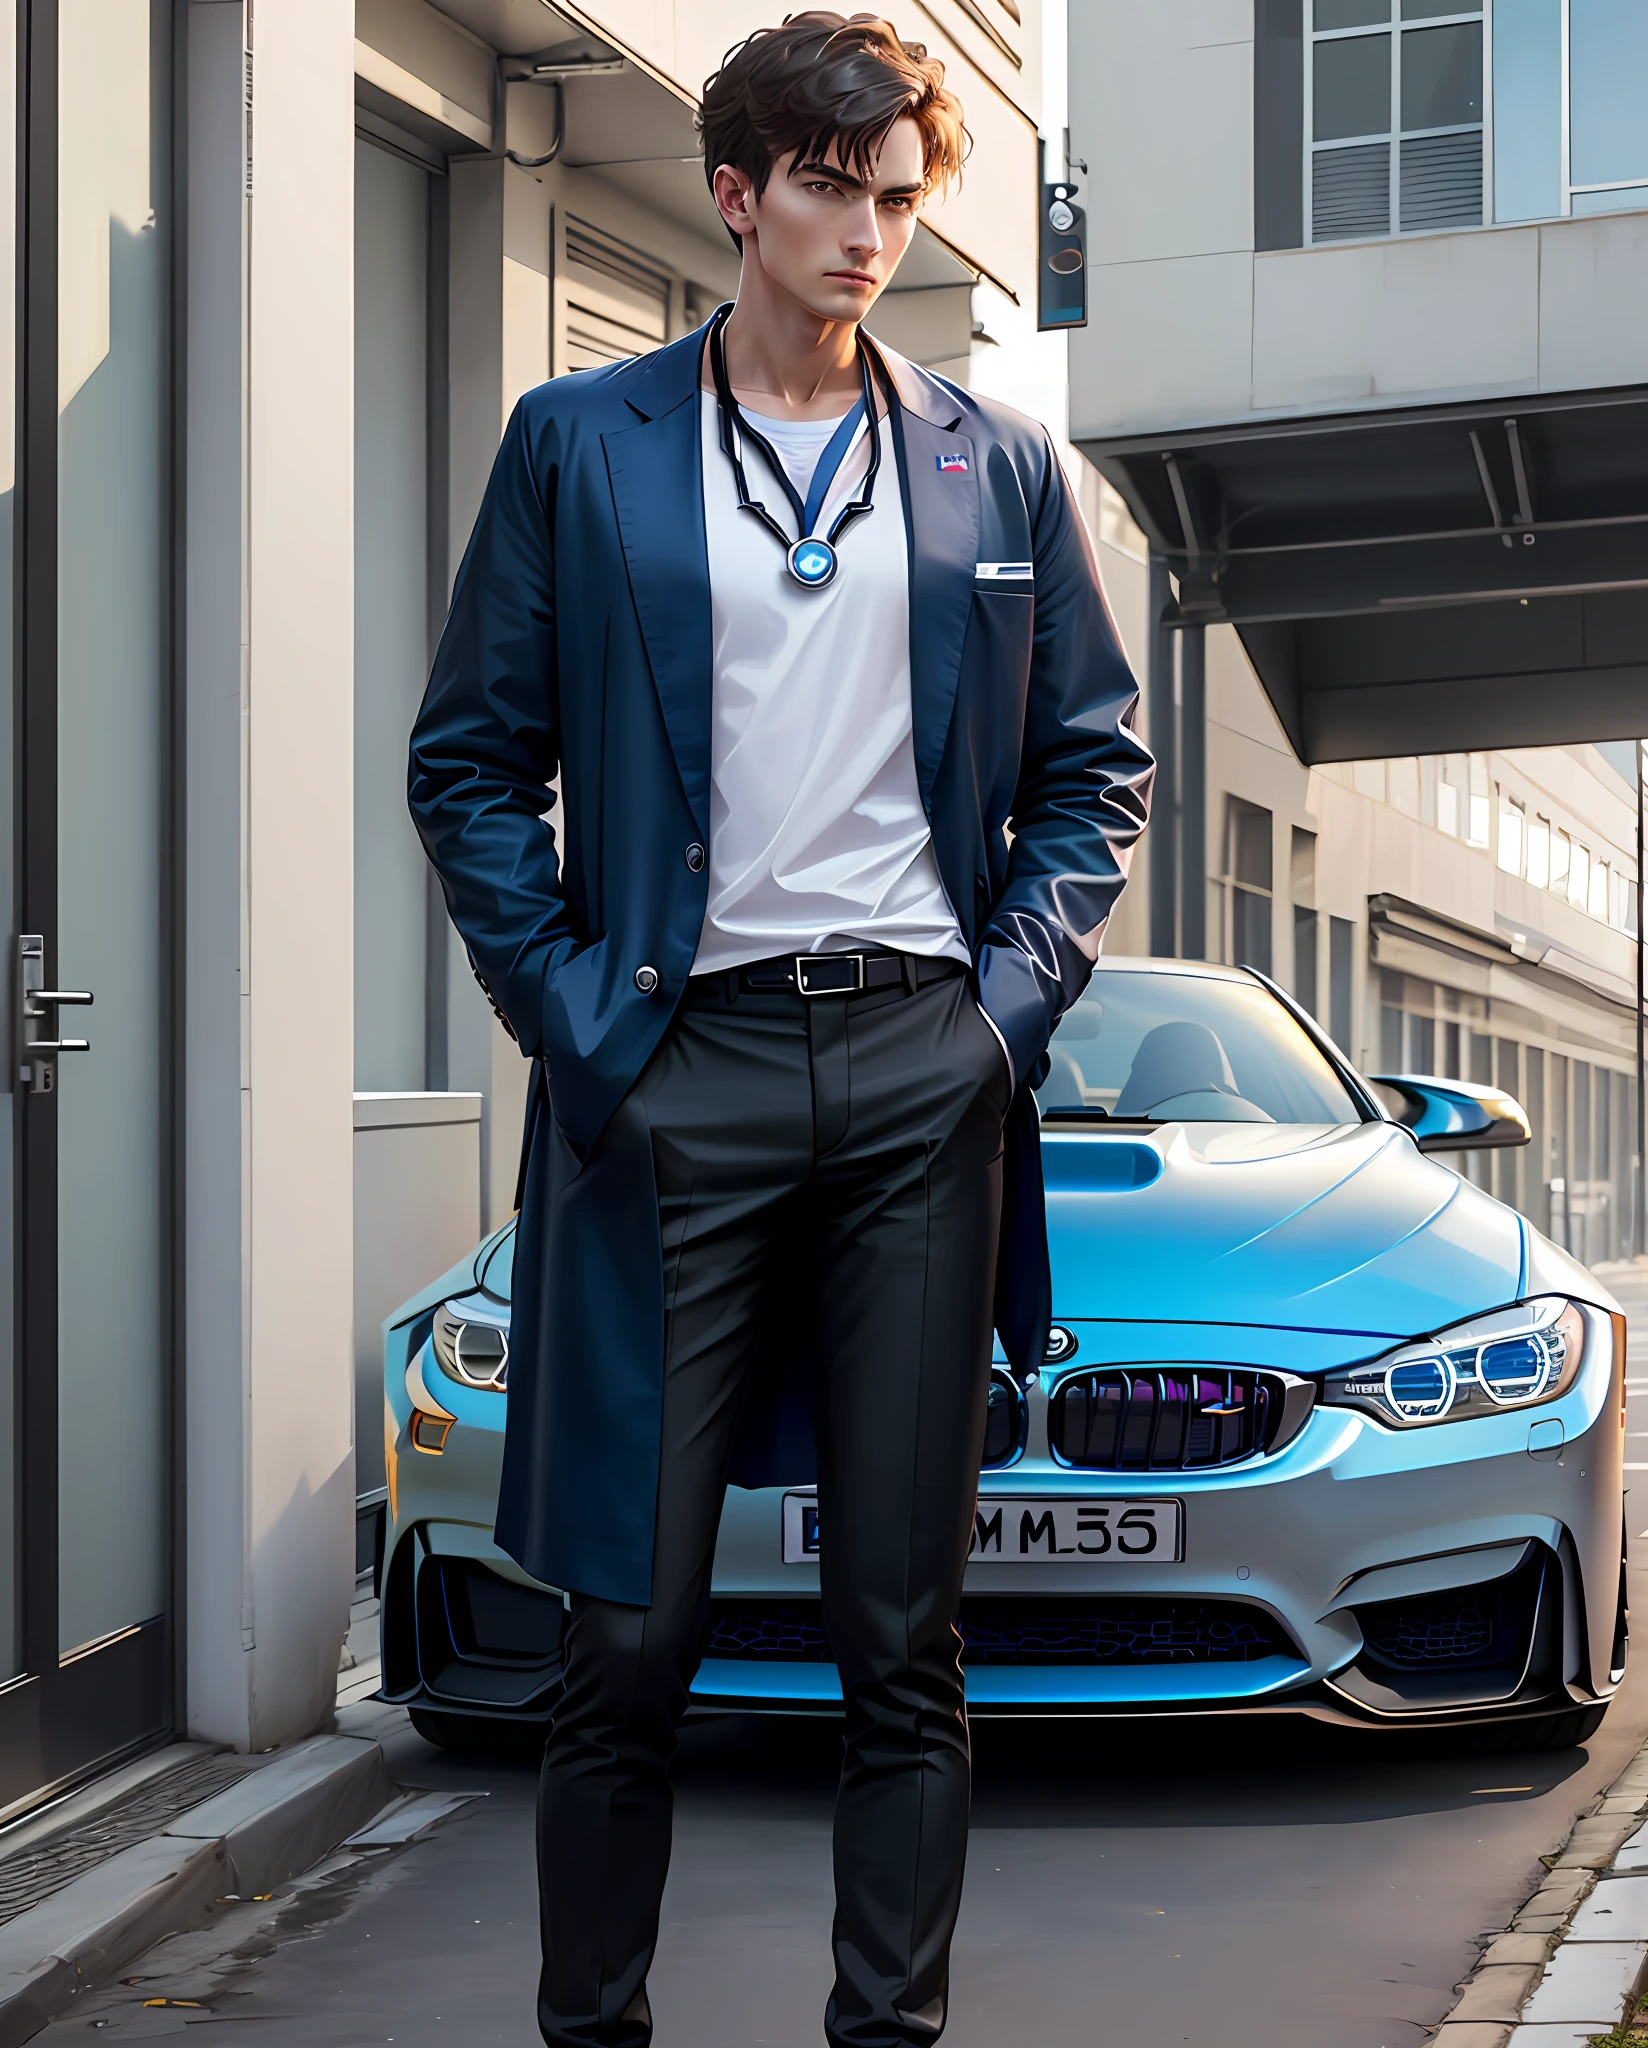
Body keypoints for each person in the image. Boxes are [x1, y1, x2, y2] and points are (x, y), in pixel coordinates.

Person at [407, 13, 1152, 2047]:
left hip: (923, 1074)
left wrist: (1000, 1014)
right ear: (739, 191)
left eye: (901, 196)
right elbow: (470, 763)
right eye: (832, 187)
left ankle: (883, 2034)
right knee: (623, 1639)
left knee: (901, 1641)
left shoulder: (993, 461)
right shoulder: (587, 444)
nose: (869, 230)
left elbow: (1094, 771)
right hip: (676, 1072)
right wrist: (578, 1027)